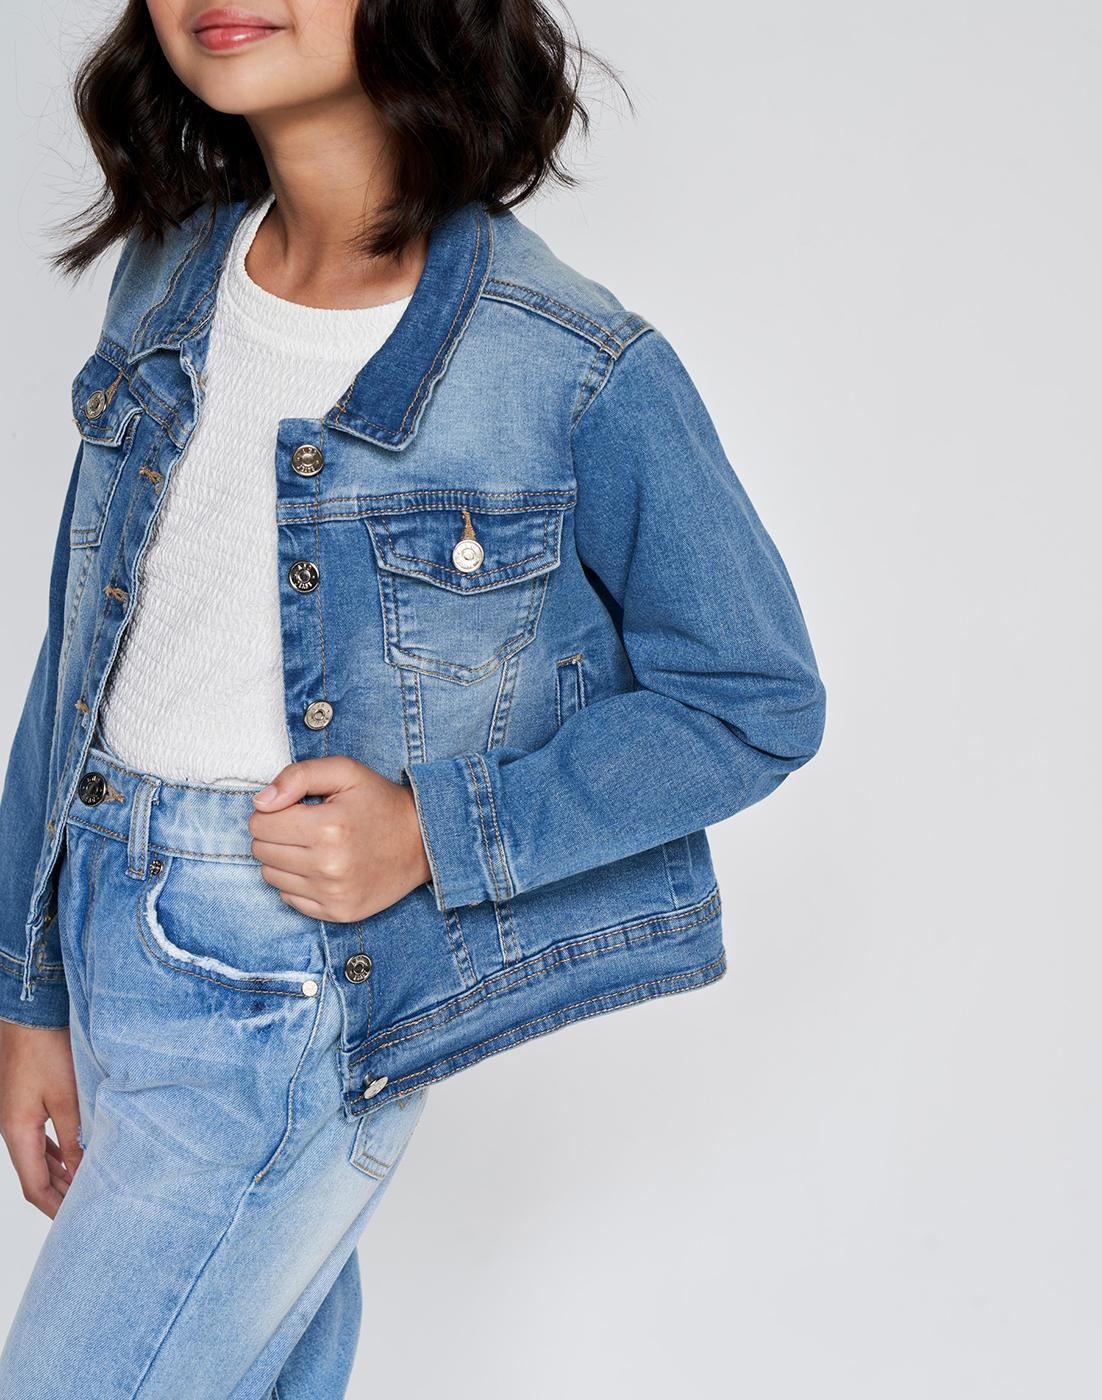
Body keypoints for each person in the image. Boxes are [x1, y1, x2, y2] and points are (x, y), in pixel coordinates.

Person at [0, 1, 826, 1394]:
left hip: (287, 982)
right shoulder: (168, 279)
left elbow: (748, 695)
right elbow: (77, 657)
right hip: (107, 929)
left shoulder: (567, 363)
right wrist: (28, 992)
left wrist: (438, 829)